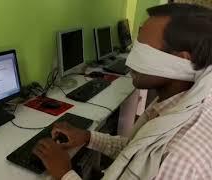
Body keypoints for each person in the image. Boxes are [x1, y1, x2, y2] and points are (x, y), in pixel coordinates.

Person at [33, 3, 212, 180]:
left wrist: (64, 173)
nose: (129, 62)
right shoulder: (173, 106)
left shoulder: (179, 160)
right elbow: (135, 152)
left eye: (143, 51)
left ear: (180, 60)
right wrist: (88, 137)